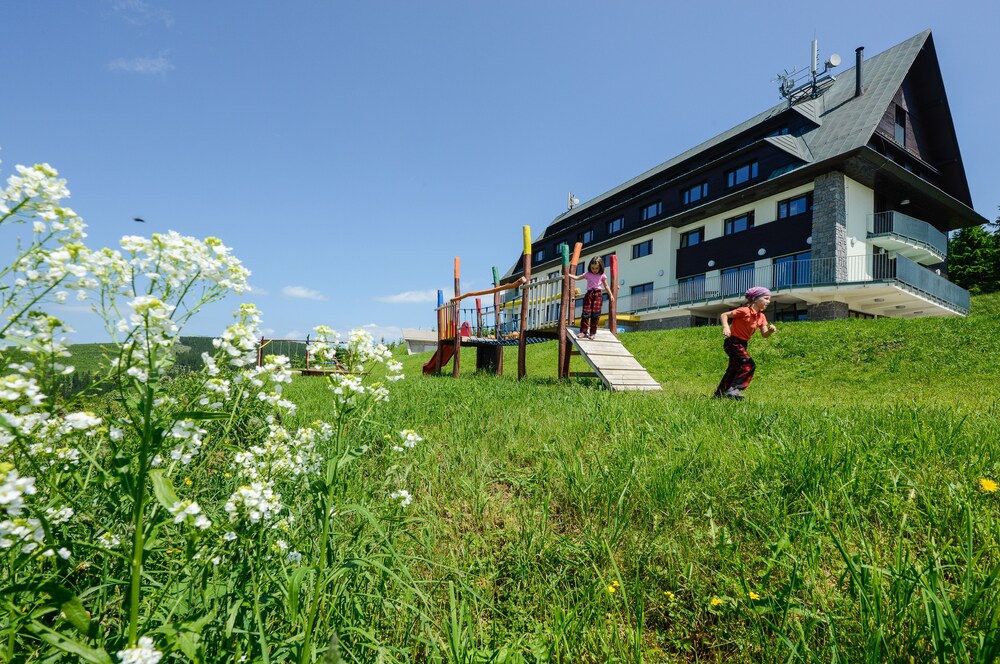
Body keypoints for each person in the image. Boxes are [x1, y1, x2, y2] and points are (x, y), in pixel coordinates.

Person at [713, 286, 776, 400]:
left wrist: (770, 331)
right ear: (756, 299)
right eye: (766, 298)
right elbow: (724, 315)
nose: (768, 302)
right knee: (748, 364)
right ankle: (734, 389)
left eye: (769, 299)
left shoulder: (761, 316)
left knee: (734, 368)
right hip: (732, 342)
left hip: (743, 344)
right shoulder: (744, 311)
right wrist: (726, 327)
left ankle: (719, 394)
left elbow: (764, 334)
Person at [570, 257, 615, 339]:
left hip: (598, 295)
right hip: (589, 294)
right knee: (585, 313)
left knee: (595, 315)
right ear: (590, 267)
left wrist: (611, 294)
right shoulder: (588, 274)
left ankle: (593, 333)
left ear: (600, 267)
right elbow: (577, 278)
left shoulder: (602, 275)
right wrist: (568, 275)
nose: (594, 270)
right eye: (592, 268)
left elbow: (606, 286)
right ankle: (583, 331)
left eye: (596, 268)